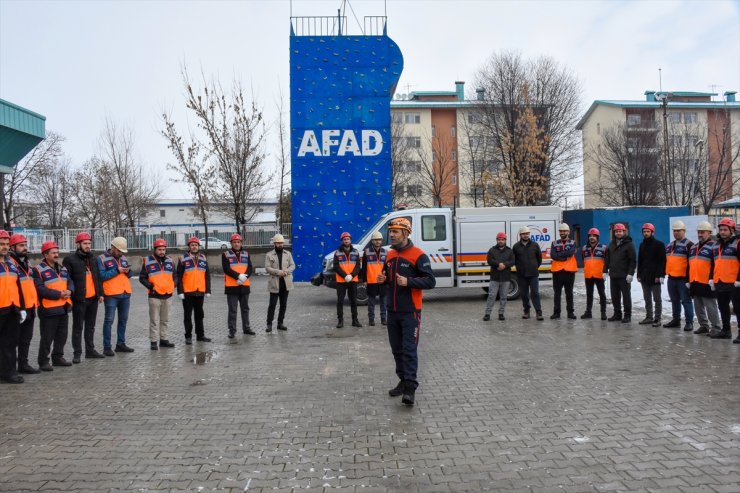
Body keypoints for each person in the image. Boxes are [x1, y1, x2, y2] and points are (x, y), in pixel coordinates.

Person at [377, 217, 435, 407]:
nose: (391, 235)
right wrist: (383, 279)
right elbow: (390, 279)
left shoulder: (419, 255)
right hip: (392, 311)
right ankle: (403, 380)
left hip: (410, 312)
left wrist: (409, 282)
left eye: (395, 232)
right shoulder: (390, 255)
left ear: (406, 233)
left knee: (409, 351)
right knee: (397, 350)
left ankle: (410, 389)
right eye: (390, 231)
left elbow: (430, 281)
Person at [63, 232, 104, 362]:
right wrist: (70, 296)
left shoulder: (93, 258)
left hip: (93, 299)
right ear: (78, 244)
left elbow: (98, 278)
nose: (87, 246)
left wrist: (100, 294)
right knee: (78, 327)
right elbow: (66, 280)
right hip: (79, 300)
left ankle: (90, 351)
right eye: (85, 243)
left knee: (90, 326)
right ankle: (77, 353)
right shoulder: (70, 260)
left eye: (89, 243)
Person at [33, 241, 73, 371]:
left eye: (57, 252)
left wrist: (70, 291)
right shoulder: (38, 270)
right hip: (48, 309)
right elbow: (40, 289)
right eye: (53, 253)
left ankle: (57, 357)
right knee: (47, 337)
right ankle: (43, 361)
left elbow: (70, 282)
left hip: (63, 307)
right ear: (45, 254)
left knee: (62, 335)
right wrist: (59, 294)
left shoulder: (62, 268)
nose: (57, 255)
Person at [8, 234, 40, 374]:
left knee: (26, 338)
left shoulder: (27, 262)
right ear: (12, 247)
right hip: (17, 307)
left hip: (30, 305)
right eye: (21, 245)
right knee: (12, 339)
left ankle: (23, 363)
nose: (25, 248)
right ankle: (10, 367)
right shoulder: (10, 263)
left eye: (25, 245)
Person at [97, 237, 134, 355]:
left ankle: (120, 344)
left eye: (122, 251)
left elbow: (129, 275)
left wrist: (128, 271)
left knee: (123, 320)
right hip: (111, 295)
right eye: (119, 251)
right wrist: (117, 271)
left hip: (125, 294)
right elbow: (101, 276)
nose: (121, 253)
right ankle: (107, 347)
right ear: (113, 247)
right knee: (109, 321)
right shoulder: (101, 259)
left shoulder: (122, 257)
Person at [139, 238, 177, 350]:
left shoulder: (170, 261)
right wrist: (151, 286)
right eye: (159, 249)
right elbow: (142, 278)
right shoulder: (147, 261)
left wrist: (173, 284)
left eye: (163, 249)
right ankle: (153, 341)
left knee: (165, 320)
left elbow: (175, 276)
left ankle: (164, 340)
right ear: (155, 249)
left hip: (168, 295)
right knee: (154, 320)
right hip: (154, 296)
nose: (162, 252)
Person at [0, 230, 27, 383]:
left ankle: (9, 372)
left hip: (12, 309)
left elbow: (18, 288)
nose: (4, 247)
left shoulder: (11, 265)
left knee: (10, 343)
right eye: (1, 244)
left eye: (6, 244)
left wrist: (22, 308)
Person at [177, 237, 212, 344]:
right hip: (187, 292)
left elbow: (207, 275)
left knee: (199, 315)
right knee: (187, 316)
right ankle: (188, 336)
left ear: (198, 246)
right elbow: (178, 276)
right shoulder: (182, 258)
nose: (194, 246)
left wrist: (208, 290)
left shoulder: (203, 258)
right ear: (189, 246)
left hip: (200, 292)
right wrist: (180, 291)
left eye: (196, 245)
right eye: (192, 245)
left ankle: (200, 335)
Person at [688, 221, 720, 336]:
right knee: (698, 306)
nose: (700, 234)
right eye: (699, 232)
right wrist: (689, 280)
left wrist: (713, 279)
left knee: (710, 307)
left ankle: (716, 327)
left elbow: (717, 265)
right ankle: (703, 325)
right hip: (695, 281)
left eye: (703, 232)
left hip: (707, 282)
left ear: (709, 233)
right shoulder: (694, 247)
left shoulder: (714, 246)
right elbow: (690, 265)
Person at [710, 217, 739, 341]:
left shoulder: (737, 243)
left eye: (725, 230)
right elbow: (713, 263)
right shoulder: (716, 245)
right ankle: (726, 330)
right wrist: (711, 278)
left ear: (732, 230)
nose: (722, 232)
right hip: (720, 281)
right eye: (721, 230)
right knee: (722, 307)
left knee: (738, 308)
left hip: (734, 282)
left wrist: (739, 279)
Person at [664, 220, 695, 331]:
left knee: (686, 301)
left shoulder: (689, 245)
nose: (676, 233)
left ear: (684, 231)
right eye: (675, 231)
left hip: (683, 279)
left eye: (679, 231)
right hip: (671, 278)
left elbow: (692, 264)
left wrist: (688, 279)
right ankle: (676, 320)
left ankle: (689, 322)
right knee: (674, 300)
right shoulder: (670, 245)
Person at [222, 234, 254, 337]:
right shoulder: (226, 254)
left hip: (244, 285)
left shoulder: (246, 253)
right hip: (232, 287)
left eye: (238, 242)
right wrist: (238, 276)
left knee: (245, 308)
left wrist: (244, 277)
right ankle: (232, 330)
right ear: (231, 243)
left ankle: (246, 328)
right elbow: (226, 269)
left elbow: (250, 267)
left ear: (241, 243)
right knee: (233, 310)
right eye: (234, 242)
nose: (236, 244)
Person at [605, 223, 636, 323]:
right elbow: (607, 258)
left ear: (624, 232)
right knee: (615, 296)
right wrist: (604, 271)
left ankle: (627, 315)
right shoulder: (611, 244)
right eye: (616, 231)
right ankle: (617, 314)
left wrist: (630, 273)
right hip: (613, 275)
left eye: (620, 231)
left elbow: (633, 260)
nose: (618, 233)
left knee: (626, 296)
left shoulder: (629, 244)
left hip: (624, 276)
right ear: (614, 233)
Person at [636, 223, 666, 327]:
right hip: (644, 277)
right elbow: (640, 261)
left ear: (652, 232)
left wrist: (661, 275)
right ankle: (649, 317)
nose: (646, 233)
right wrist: (638, 274)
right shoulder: (642, 245)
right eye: (644, 232)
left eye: (648, 231)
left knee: (657, 299)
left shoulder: (659, 245)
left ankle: (657, 319)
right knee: (647, 298)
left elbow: (662, 261)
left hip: (655, 277)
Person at [512, 226, 543, 321]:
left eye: (527, 234)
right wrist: (520, 269)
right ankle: (526, 311)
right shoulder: (516, 246)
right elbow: (514, 260)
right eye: (524, 234)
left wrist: (534, 267)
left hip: (533, 274)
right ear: (520, 235)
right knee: (524, 294)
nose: (526, 235)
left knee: (535, 293)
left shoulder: (535, 245)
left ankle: (538, 312)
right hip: (522, 275)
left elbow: (539, 259)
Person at [265, 234, 294, 332]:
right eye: (278, 243)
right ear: (274, 244)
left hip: (285, 283)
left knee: (283, 304)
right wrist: (278, 272)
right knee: (272, 305)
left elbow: (292, 265)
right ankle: (269, 324)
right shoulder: (269, 255)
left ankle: (280, 323)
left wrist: (286, 272)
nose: (280, 244)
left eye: (281, 243)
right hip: (274, 283)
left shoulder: (288, 254)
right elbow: (267, 268)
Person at [333, 232, 362, 328]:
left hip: (353, 280)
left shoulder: (356, 252)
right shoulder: (337, 252)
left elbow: (358, 266)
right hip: (341, 281)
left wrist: (352, 275)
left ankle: (355, 320)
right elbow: (336, 267)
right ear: (342, 241)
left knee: (353, 301)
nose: (346, 240)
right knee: (340, 301)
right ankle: (340, 321)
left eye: (348, 239)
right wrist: (345, 276)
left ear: (350, 240)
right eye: (344, 239)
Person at [483, 232, 514, 321]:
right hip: (495, 277)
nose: (501, 241)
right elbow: (489, 260)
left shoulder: (509, 250)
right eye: (499, 239)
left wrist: (504, 265)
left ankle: (501, 313)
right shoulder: (492, 250)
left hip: (506, 277)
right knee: (492, 296)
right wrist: (498, 264)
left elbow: (512, 261)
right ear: (497, 240)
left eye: (502, 239)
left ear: (505, 240)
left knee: (504, 296)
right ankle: (487, 314)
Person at [550, 223, 578, 320]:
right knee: (557, 294)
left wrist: (559, 256)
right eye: (561, 231)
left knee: (569, 293)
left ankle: (570, 313)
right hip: (557, 272)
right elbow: (553, 255)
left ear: (568, 232)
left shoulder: (573, 242)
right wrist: (563, 257)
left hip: (569, 272)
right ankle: (556, 313)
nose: (562, 233)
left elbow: (571, 252)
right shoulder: (554, 243)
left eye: (564, 231)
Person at [580, 228, 608, 320]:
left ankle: (603, 313)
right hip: (588, 275)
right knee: (589, 294)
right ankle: (588, 312)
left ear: (597, 237)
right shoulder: (584, 248)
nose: (592, 238)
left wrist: (605, 272)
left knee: (602, 294)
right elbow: (583, 260)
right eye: (590, 236)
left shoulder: (603, 248)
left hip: (599, 275)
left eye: (594, 236)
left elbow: (607, 261)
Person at [362, 231, 388, 326]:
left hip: (382, 281)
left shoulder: (385, 252)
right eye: (376, 240)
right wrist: (365, 280)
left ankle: (383, 319)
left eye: (379, 240)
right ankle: (371, 320)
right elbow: (364, 267)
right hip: (371, 280)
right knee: (371, 303)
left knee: (383, 302)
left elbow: (387, 267)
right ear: (372, 241)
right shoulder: (367, 252)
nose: (377, 241)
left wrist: (387, 278)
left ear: (381, 241)